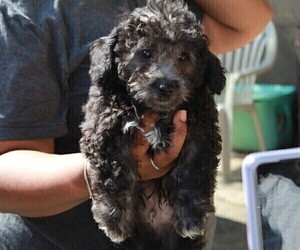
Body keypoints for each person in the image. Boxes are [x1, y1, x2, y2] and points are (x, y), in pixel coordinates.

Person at [0, 0, 273, 249]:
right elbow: (6, 169)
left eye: (182, 59)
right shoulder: (34, 12)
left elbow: (252, 22)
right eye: (145, 54)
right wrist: (106, 173)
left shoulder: (175, 10)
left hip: (178, 237)